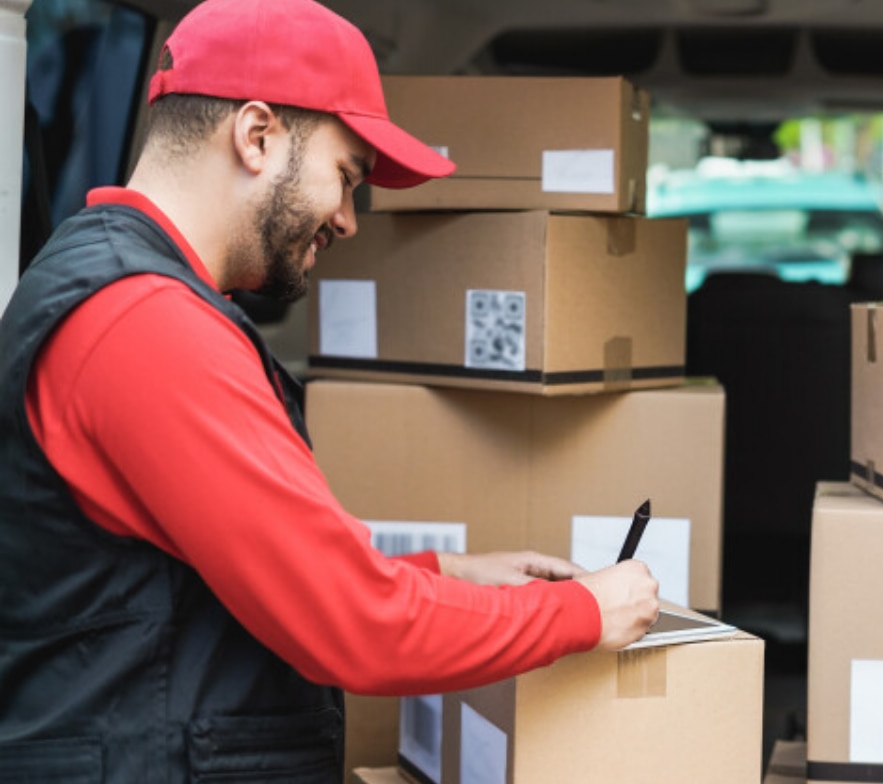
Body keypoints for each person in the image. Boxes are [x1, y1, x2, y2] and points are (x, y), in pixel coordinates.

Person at [0, 0, 660, 780]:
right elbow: (352, 625)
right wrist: (585, 613)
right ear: (256, 135)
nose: (349, 220)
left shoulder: (125, 293)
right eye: (346, 177)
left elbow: (219, 594)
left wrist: (442, 576)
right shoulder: (147, 324)